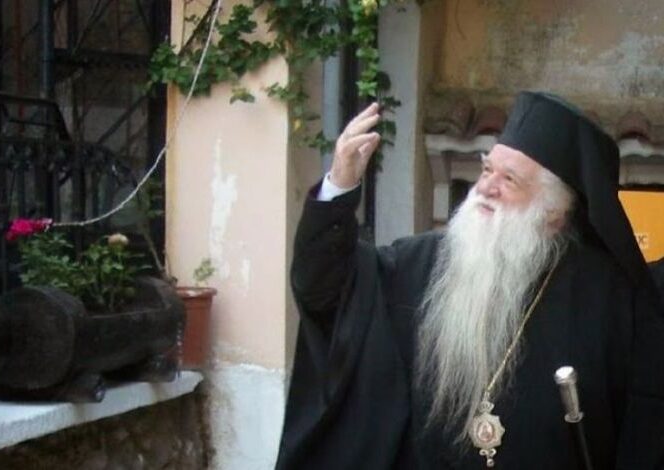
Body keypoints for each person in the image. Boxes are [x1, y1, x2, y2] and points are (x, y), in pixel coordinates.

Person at [275, 92, 664, 469]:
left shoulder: (609, 297)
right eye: (487, 170)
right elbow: (324, 291)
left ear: (553, 211)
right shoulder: (419, 264)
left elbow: (644, 423)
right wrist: (339, 187)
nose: (486, 188)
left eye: (509, 180)